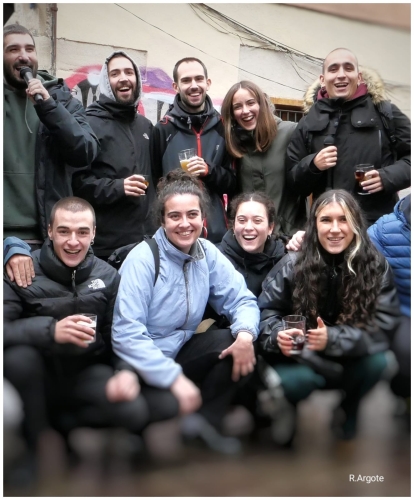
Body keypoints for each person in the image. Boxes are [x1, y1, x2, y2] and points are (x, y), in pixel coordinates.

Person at [4, 197, 177, 481]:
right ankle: (33, 446)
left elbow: (120, 333)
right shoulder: (22, 270)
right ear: (49, 231)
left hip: (86, 371)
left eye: (82, 232)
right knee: (18, 360)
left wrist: (125, 371)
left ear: (94, 233)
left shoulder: (108, 276)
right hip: (40, 375)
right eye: (64, 231)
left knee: (141, 408)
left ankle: (68, 425)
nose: (73, 241)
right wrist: (50, 330)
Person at [111, 170, 259, 454]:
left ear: (203, 218)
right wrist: (174, 379)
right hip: (143, 357)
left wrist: (244, 335)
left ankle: (203, 424)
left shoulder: (206, 252)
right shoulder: (143, 259)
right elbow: (127, 334)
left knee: (237, 344)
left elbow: (241, 299)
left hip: (182, 348)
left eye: (192, 214)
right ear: (162, 220)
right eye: (174, 216)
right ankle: (135, 431)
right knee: (161, 406)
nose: (184, 224)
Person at [258, 189, 401, 440]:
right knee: (294, 381)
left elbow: (382, 326)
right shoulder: (292, 264)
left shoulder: (375, 266)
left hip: (348, 355)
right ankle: (289, 410)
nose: (335, 229)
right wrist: (278, 334)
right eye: (326, 220)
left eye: (343, 219)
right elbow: (266, 313)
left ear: (356, 224)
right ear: (314, 225)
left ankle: (348, 409)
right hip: (302, 359)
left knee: (379, 363)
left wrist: (332, 339)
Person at [3, 24, 99, 284]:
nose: (24, 56)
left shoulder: (60, 98)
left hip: (50, 239)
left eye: (30, 49)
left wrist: (49, 108)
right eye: (13, 49)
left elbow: (86, 151)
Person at [286, 48, 411, 225]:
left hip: (376, 227)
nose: (341, 75)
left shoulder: (385, 113)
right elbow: (292, 181)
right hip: (329, 228)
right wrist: (313, 165)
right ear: (322, 80)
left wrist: (387, 177)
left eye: (348, 68)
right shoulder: (307, 122)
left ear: (359, 77)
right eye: (333, 69)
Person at [72, 51, 156, 260]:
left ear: (137, 80)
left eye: (129, 72)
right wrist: (119, 187)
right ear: (106, 81)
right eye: (115, 73)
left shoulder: (145, 126)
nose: (123, 78)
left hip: (147, 244)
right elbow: (76, 183)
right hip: (108, 249)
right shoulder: (89, 124)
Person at [150, 57, 236, 243]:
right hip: (176, 235)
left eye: (199, 79)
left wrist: (209, 171)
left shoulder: (223, 127)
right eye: (186, 80)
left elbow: (233, 182)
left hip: (216, 236)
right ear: (176, 86)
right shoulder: (163, 129)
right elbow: (154, 183)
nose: (194, 85)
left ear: (208, 83)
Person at [221, 81, 306, 237]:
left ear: (262, 104)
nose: (245, 111)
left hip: (289, 237)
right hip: (250, 238)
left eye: (250, 103)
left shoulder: (290, 132)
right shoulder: (233, 143)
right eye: (237, 107)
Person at [368, 194, 411, 401]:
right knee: (407, 352)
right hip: (405, 309)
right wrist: (307, 240)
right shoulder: (386, 229)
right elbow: (353, 250)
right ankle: (403, 391)